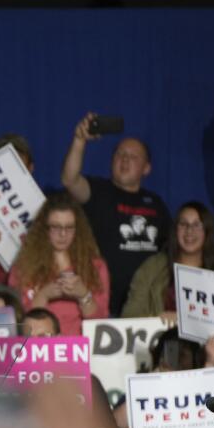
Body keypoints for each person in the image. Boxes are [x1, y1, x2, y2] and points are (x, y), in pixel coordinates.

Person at [60, 113, 169, 315]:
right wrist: (79, 140)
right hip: (102, 304)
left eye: (133, 157)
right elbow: (70, 180)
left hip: (144, 308)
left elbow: (170, 250)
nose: (125, 160)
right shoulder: (98, 191)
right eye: (120, 154)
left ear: (146, 168)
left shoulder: (156, 203)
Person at [7, 193, 110, 336]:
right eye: (55, 227)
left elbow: (101, 324)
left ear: (78, 230)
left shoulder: (95, 267)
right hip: (39, 350)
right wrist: (43, 296)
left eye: (69, 228)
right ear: (44, 229)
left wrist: (83, 295)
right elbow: (17, 323)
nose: (63, 234)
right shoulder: (23, 267)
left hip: (79, 350)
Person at [122, 202, 214, 320]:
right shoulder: (152, 267)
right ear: (175, 230)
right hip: (162, 337)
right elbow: (129, 315)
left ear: (207, 231)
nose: (189, 230)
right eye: (183, 224)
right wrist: (157, 320)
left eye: (197, 225)